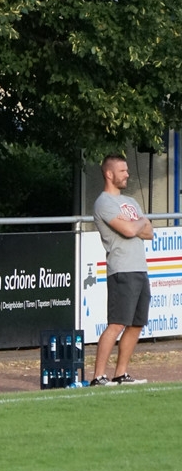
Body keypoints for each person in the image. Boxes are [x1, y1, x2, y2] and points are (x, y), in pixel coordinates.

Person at [90, 154, 152, 386]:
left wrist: (137, 225)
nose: (127, 174)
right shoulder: (104, 202)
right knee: (117, 323)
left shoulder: (131, 201)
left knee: (137, 324)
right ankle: (98, 376)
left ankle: (121, 374)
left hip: (140, 268)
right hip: (122, 270)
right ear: (109, 174)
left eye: (127, 170)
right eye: (123, 171)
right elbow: (129, 230)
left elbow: (150, 232)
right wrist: (140, 222)